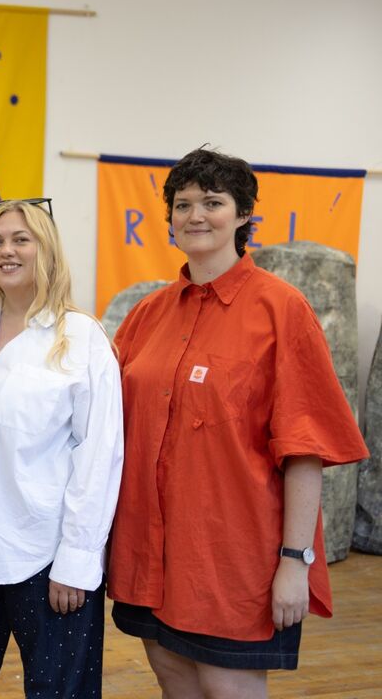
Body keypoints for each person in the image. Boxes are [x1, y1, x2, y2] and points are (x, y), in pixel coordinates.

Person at [107, 148, 369, 698]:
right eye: (182, 204)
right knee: (172, 675)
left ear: (244, 214)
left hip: (233, 554)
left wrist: (295, 562)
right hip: (149, 548)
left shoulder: (282, 309)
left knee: (228, 686)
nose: (195, 215)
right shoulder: (147, 314)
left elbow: (304, 448)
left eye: (212, 202)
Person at [0, 199, 124, 699]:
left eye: (20, 239)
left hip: (44, 552)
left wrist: (78, 560)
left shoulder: (81, 338)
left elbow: (99, 455)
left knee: (60, 691)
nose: (5, 250)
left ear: (47, 249)